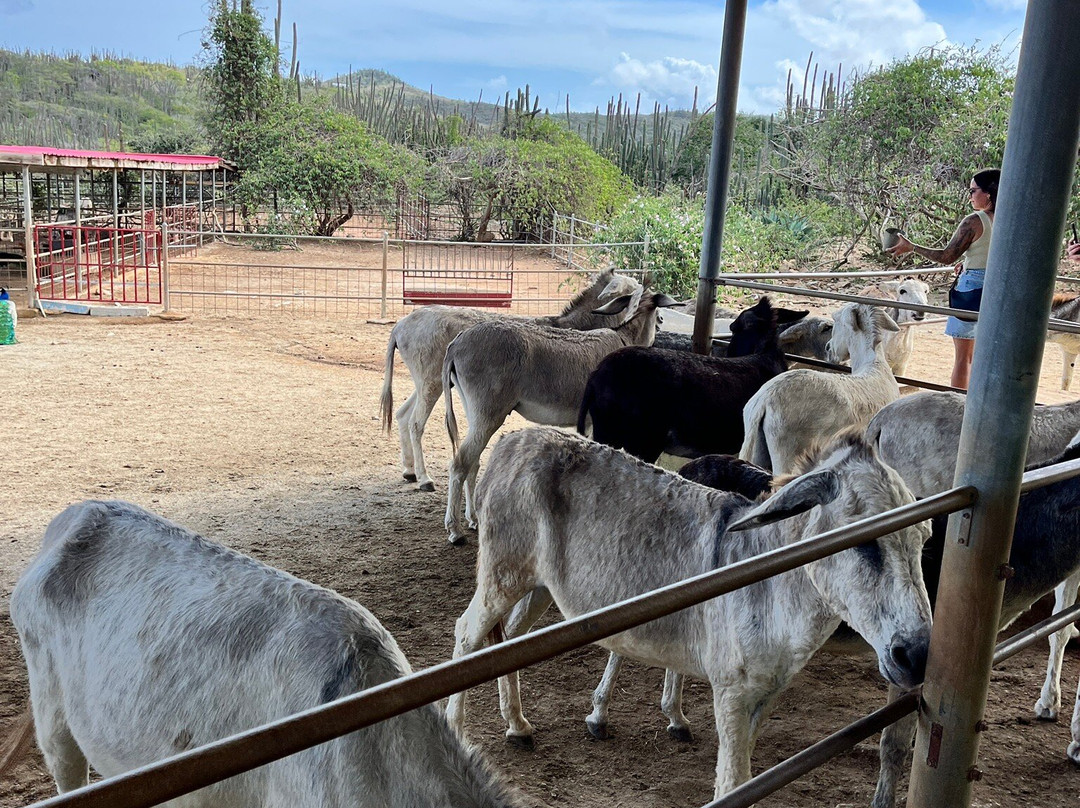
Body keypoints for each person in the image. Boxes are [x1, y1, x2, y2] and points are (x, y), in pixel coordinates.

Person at [887, 169, 1000, 389]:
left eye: (973, 191)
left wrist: (912, 247)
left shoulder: (975, 221)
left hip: (972, 289)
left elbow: (947, 256)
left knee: (963, 357)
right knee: (983, 355)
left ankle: (958, 403)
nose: (970, 196)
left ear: (988, 194)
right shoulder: (1011, 219)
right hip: (998, 287)